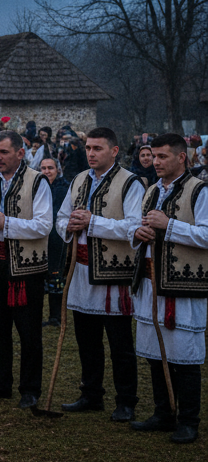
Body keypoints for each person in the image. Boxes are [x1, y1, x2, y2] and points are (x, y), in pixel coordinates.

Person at [56, 128, 141, 421]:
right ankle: (91, 394)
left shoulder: (130, 183)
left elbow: (134, 227)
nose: (91, 153)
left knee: (119, 343)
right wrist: (68, 227)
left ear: (114, 151)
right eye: (88, 148)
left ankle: (126, 400)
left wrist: (93, 223)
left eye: (98, 148)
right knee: (87, 339)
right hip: (80, 271)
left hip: (113, 273)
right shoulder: (79, 179)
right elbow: (61, 216)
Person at [129, 133, 207, 444]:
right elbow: (140, 226)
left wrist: (169, 226)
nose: (156, 162)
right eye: (154, 156)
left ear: (181, 158)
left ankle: (188, 420)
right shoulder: (151, 191)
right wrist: (139, 233)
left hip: (183, 283)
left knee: (183, 354)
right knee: (154, 350)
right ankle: (164, 412)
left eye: (163, 157)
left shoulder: (199, 191)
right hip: (150, 280)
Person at [0, 130, 53, 408]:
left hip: (26, 268)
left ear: (20, 153)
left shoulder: (37, 181)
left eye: (4, 152)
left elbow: (44, 224)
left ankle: (30, 390)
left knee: (28, 331)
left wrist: (7, 223)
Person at [40, 156, 69, 327]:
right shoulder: (37, 187)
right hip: (39, 239)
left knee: (56, 276)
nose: (46, 171)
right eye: (43, 168)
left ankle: (55, 316)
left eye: (50, 168)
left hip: (57, 238)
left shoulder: (64, 188)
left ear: (57, 170)